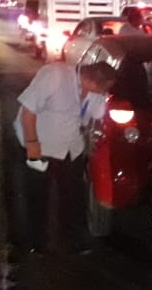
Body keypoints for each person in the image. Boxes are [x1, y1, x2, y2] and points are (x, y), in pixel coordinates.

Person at [15, 61, 117, 254]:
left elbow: (96, 113)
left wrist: (101, 99)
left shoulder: (96, 92)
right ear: (89, 80)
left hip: (70, 149)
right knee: (38, 194)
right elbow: (27, 113)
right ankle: (35, 244)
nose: (104, 92)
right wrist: (32, 145)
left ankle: (71, 240)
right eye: (103, 88)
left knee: (72, 196)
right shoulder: (55, 76)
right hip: (41, 145)